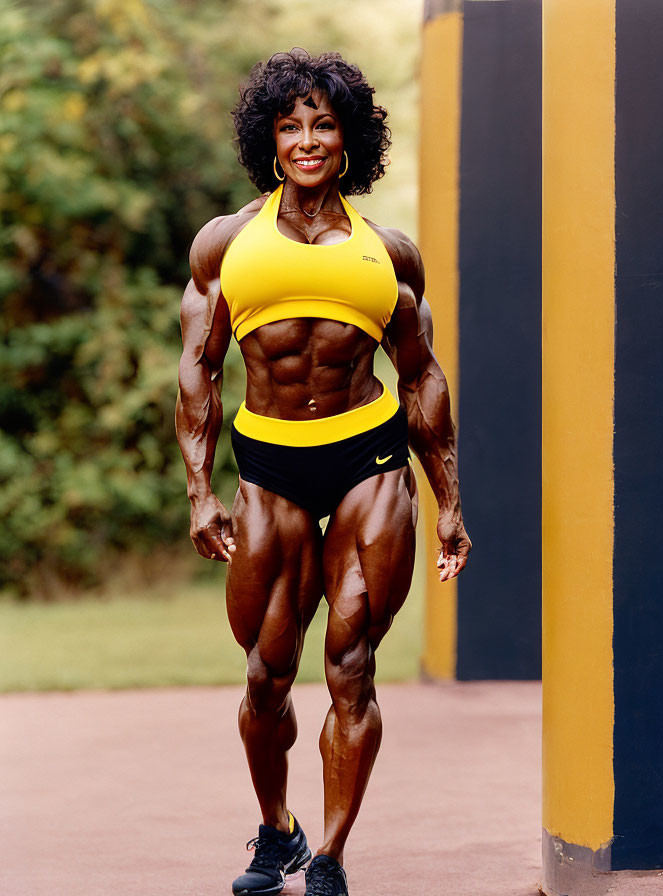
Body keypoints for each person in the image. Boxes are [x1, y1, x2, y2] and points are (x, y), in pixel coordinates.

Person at [175, 48, 471, 896]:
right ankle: (279, 831)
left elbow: (422, 378)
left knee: (351, 664)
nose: (307, 140)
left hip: (368, 460)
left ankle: (333, 857)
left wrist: (449, 500)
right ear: (270, 138)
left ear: (350, 141)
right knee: (266, 675)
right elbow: (197, 367)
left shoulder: (392, 254)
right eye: (290, 125)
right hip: (268, 468)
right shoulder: (226, 244)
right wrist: (200, 492)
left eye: (324, 125)